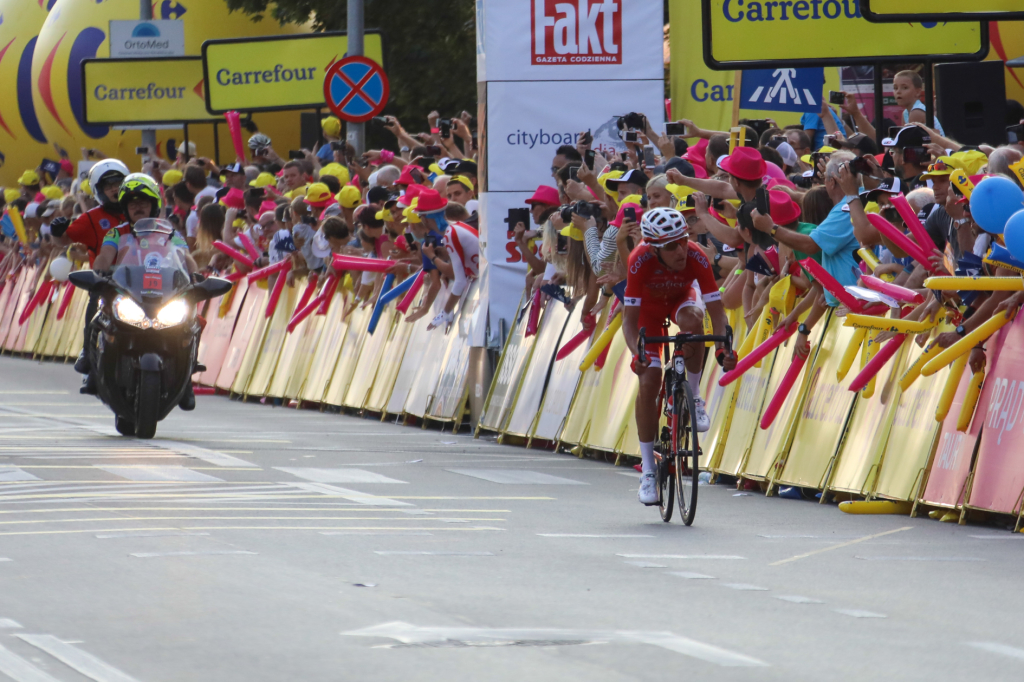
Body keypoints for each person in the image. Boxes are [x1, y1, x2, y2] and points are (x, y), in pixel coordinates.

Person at [622, 207, 736, 506]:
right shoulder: (639, 260)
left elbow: (716, 311)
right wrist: (637, 354)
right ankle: (648, 469)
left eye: (684, 240)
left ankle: (695, 395)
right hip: (648, 310)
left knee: (693, 322)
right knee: (649, 382)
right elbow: (629, 322)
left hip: (682, 301)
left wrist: (724, 347)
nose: (681, 249)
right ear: (654, 248)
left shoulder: (696, 255)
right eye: (671, 246)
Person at [68, 159, 130, 380]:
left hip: (146, 281)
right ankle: (89, 351)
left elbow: (177, 250)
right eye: (108, 185)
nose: (114, 188)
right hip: (110, 282)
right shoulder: (94, 219)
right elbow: (64, 238)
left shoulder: (148, 214)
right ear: (99, 191)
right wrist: (57, 232)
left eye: (118, 183)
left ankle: (187, 366)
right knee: (95, 301)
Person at [893, 70, 945, 137]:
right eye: (895, 88)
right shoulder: (905, 113)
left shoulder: (916, 112)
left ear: (917, 92)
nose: (898, 91)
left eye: (905, 87)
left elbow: (910, 140)